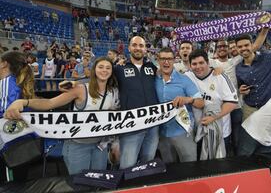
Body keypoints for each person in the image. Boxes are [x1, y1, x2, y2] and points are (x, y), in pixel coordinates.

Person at [5, 57, 119, 174]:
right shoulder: (80, 89)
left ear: (111, 71)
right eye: (100, 67)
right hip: (78, 145)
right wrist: (23, 102)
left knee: (99, 181)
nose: (104, 70)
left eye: (108, 68)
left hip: (100, 146)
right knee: (80, 184)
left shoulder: (114, 92)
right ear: (94, 69)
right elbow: (49, 103)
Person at [114, 36, 159, 169]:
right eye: (134, 45)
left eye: (141, 45)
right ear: (129, 48)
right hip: (131, 125)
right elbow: (99, 78)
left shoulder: (152, 68)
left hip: (153, 124)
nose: (138, 48)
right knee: (127, 165)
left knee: (148, 164)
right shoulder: (119, 68)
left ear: (145, 49)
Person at [185, 49, 238, 157]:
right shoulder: (187, 76)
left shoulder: (220, 76)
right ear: (190, 66)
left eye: (201, 63)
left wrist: (214, 117)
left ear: (208, 63)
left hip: (221, 129)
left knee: (220, 163)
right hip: (199, 130)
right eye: (194, 64)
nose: (198, 67)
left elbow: (232, 102)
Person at [155, 47, 204, 163]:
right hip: (162, 134)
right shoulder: (154, 79)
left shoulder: (184, 80)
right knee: (169, 168)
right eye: (162, 59)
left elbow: (201, 103)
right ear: (158, 60)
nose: (166, 62)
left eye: (169, 59)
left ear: (174, 60)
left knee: (189, 167)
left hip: (182, 131)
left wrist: (188, 99)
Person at [0, 51, 35, 182]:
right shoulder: (18, 81)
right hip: (21, 141)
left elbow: (6, 113)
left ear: (4, 64)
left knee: (9, 183)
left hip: (8, 145)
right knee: (19, 181)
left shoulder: (7, 83)